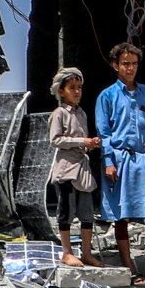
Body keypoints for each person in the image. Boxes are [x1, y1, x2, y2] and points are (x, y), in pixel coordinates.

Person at [95, 41, 145, 286]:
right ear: (115, 65)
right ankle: (129, 268)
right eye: (125, 64)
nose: (130, 69)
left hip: (144, 161)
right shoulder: (107, 96)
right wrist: (108, 162)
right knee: (121, 215)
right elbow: (104, 133)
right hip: (119, 160)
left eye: (134, 64)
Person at [48, 66, 101, 267]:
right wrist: (82, 142)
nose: (77, 91)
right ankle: (67, 252)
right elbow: (56, 140)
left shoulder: (82, 114)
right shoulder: (59, 113)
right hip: (66, 168)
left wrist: (91, 144)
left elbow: (82, 140)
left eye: (79, 87)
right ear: (61, 91)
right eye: (72, 87)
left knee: (87, 212)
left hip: (82, 168)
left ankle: (86, 253)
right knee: (66, 212)